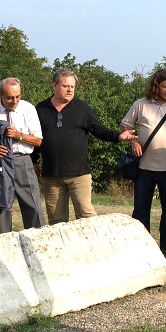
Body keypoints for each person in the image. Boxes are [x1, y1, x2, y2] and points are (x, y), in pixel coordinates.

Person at [32, 68, 136, 225]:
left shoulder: (82, 108)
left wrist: (118, 136)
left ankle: (93, 242)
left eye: (72, 87)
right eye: (65, 86)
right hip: (52, 174)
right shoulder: (40, 109)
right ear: (54, 85)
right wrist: (33, 161)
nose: (70, 90)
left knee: (86, 217)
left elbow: (99, 130)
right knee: (56, 220)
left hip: (79, 174)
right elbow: (34, 138)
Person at [120, 68, 166, 254]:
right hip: (144, 167)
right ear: (156, 86)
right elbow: (125, 126)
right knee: (141, 210)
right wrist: (134, 142)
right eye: (165, 86)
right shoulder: (141, 104)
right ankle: (141, 246)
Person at [0, 77, 45, 234]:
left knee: (33, 205)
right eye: (10, 97)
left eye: (18, 97)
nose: (14, 101)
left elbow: (38, 141)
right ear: (0, 94)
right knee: (0, 206)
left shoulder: (28, 108)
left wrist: (19, 135)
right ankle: (2, 242)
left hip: (22, 160)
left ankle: (37, 240)